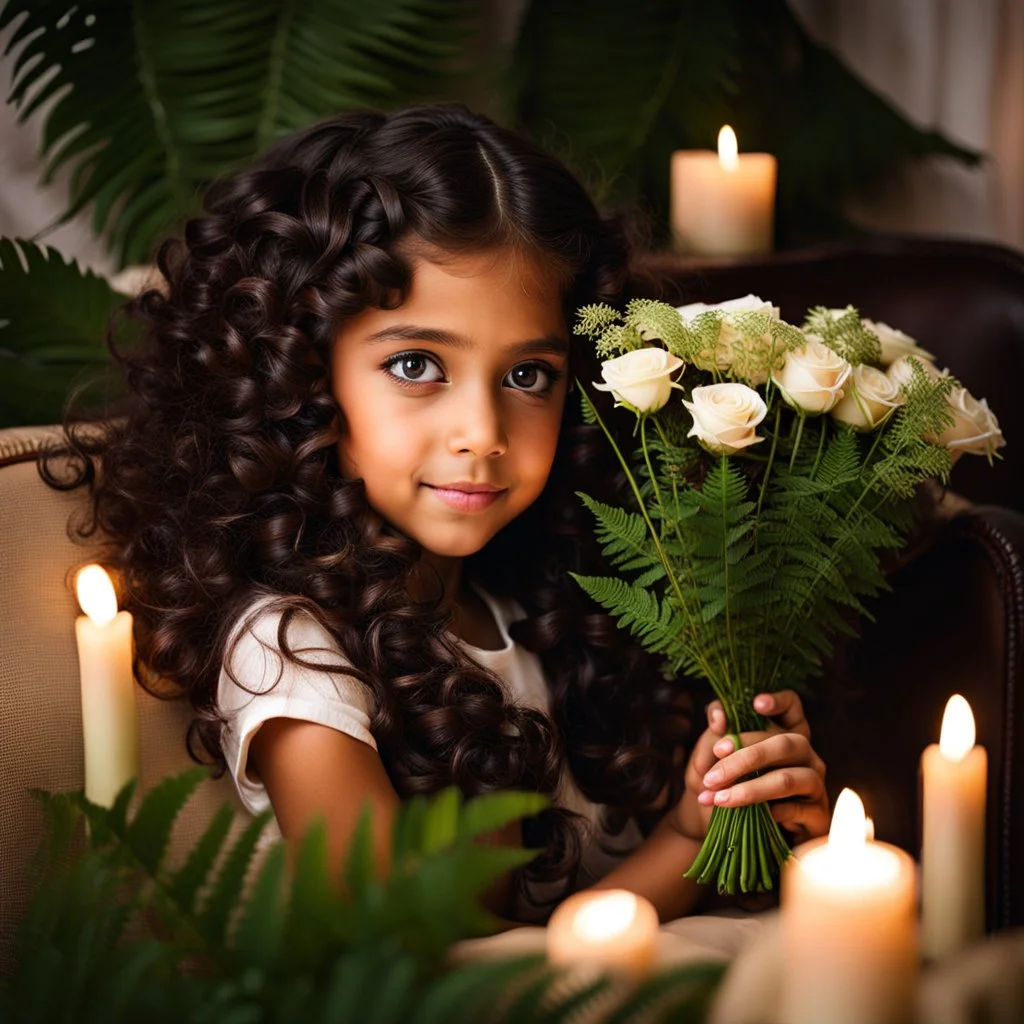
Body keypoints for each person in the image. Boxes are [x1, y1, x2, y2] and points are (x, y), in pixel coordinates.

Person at [46, 105, 829, 924]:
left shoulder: (531, 599)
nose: (483, 436)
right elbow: (415, 958)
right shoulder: (291, 651)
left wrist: (713, 817)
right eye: (416, 365)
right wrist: (680, 856)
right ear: (300, 373)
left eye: (529, 377)